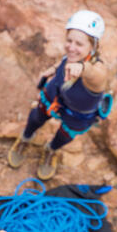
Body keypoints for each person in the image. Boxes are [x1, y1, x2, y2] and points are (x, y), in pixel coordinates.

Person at [7, 10, 111, 180]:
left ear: (93, 47)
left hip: (77, 114)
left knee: (63, 136)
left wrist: (82, 68)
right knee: (36, 117)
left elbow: (96, 75)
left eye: (79, 44)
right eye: (69, 40)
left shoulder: (97, 72)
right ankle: (25, 137)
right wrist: (54, 70)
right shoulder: (72, 56)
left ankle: (51, 149)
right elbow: (65, 59)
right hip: (57, 95)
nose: (71, 47)